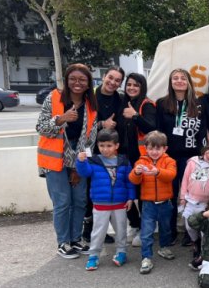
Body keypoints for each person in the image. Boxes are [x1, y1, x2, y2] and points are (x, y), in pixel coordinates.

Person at [37, 63, 98, 258]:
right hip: (54, 159)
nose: (77, 83)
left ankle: (75, 239)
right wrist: (60, 119)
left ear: (88, 83)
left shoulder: (90, 106)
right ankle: (63, 242)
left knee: (79, 200)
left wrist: (77, 167)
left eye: (82, 79)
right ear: (66, 80)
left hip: (78, 159)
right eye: (73, 79)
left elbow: (90, 139)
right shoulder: (53, 98)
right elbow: (40, 127)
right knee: (62, 201)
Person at [156, 68, 206, 243]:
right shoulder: (162, 103)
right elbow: (159, 130)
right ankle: (169, 231)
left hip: (191, 156)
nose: (179, 81)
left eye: (182, 78)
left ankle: (189, 230)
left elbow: (202, 131)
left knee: (191, 195)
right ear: (170, 82)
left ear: (188, 82)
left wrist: (202, 155)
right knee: (170, 194)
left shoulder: (198, 104)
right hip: (169, 157)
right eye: (175, 78)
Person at [76, 129, 136, 270]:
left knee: (121, 230)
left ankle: (121, 252)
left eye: (109, 146)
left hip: (120, 203)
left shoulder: (124, 161)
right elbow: (84, 173)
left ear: (117, 145)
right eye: (102, 145)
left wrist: (131, 198)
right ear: (98, 146)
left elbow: (130, 182)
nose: (105, 149)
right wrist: (81, 161)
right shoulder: (93, 161)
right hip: (100, 204)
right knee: (98, 231)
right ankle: (93, 255)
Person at [83, 66, 125, 244]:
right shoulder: (89, 96)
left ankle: (101, 231)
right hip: (90, 149)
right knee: (89, 191)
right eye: (110, 78)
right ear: (104, 76)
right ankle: (87, 231)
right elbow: (82, 124)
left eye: (117, 80)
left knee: (107, 188)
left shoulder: (119, 98)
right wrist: (102, 124)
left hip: (110, 150)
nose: (113, 82)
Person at [128, 131, 178, 274]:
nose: (154, 152)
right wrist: (136, 173)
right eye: (151, 148)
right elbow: (134, 180)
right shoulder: (141, 161)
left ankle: (164, 247)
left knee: (166, 228)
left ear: (165, 149)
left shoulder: (170, 161)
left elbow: (171, 175)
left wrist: (157, 172)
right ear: (146, 148)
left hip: (165, 203)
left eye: (158, 148)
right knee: (146, 233)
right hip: (148, 204)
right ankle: (146, 257)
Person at [120, 72, 157, 247]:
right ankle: (134, 224)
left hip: (141, 157)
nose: (132, 88)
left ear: (142, 87)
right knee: (125, 192)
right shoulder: (122, 103)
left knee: (143, 195)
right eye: (129, 84)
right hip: (123, 157)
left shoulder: (147, 104)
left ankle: (144, 228)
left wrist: (135, 115)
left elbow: (152, 127)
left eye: (136, 85)